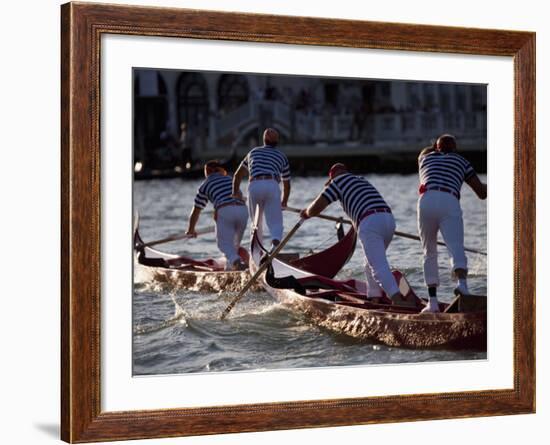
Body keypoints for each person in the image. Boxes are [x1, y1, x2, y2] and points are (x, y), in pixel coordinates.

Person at [299, 163, 407, 305]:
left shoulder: (337, 182)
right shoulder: (361, 180)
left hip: (370, 221)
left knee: (377, 267)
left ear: (332, 178)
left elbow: (317, 207)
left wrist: (306, 213)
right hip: (388, 219)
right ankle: (375, 298)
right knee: (370, 263)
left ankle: (399, 301)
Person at [417, 134, 487, 312]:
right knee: (456, 247)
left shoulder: (425, 158)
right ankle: (462, 285)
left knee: (429, 251)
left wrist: (433, 147)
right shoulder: (462, 162)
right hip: (449, 200)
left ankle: (432, 302)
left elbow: (425, 151)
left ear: (436, 148)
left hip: (426, 200)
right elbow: (481, 193)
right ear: (455, 149)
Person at [232, 128, 291, 249]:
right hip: (272, 184)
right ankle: (275, 243)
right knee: (275, 223)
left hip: (254, 185)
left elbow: (237, 175)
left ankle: (256, 255)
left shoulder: (252, 152)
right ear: (277, 141)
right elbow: (286, 183)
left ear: (264, 140)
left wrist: (235, 192)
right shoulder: (282, 156)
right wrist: (284, 201)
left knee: (256, 223)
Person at [186, 160, 248, 271]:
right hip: (242, 210)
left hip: (225, 210)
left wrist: (191, 229)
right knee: (234, 246)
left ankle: (236, 262)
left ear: (207, 172)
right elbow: (239, 197)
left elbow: (196, 210)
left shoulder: (204, 185)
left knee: (223, 244)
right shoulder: (230, 179)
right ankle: (230, 269)